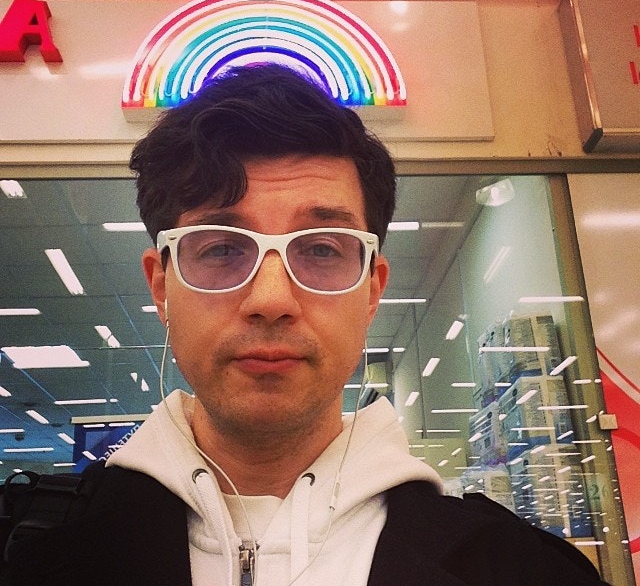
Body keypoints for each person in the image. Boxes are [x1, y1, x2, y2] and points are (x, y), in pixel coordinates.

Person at [3, 64, 609, 586]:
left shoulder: (522, 570)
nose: (271, 299)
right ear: (162, 285)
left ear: (372, 290)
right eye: (221, 249)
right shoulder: (30, 555)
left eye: (321, 249)